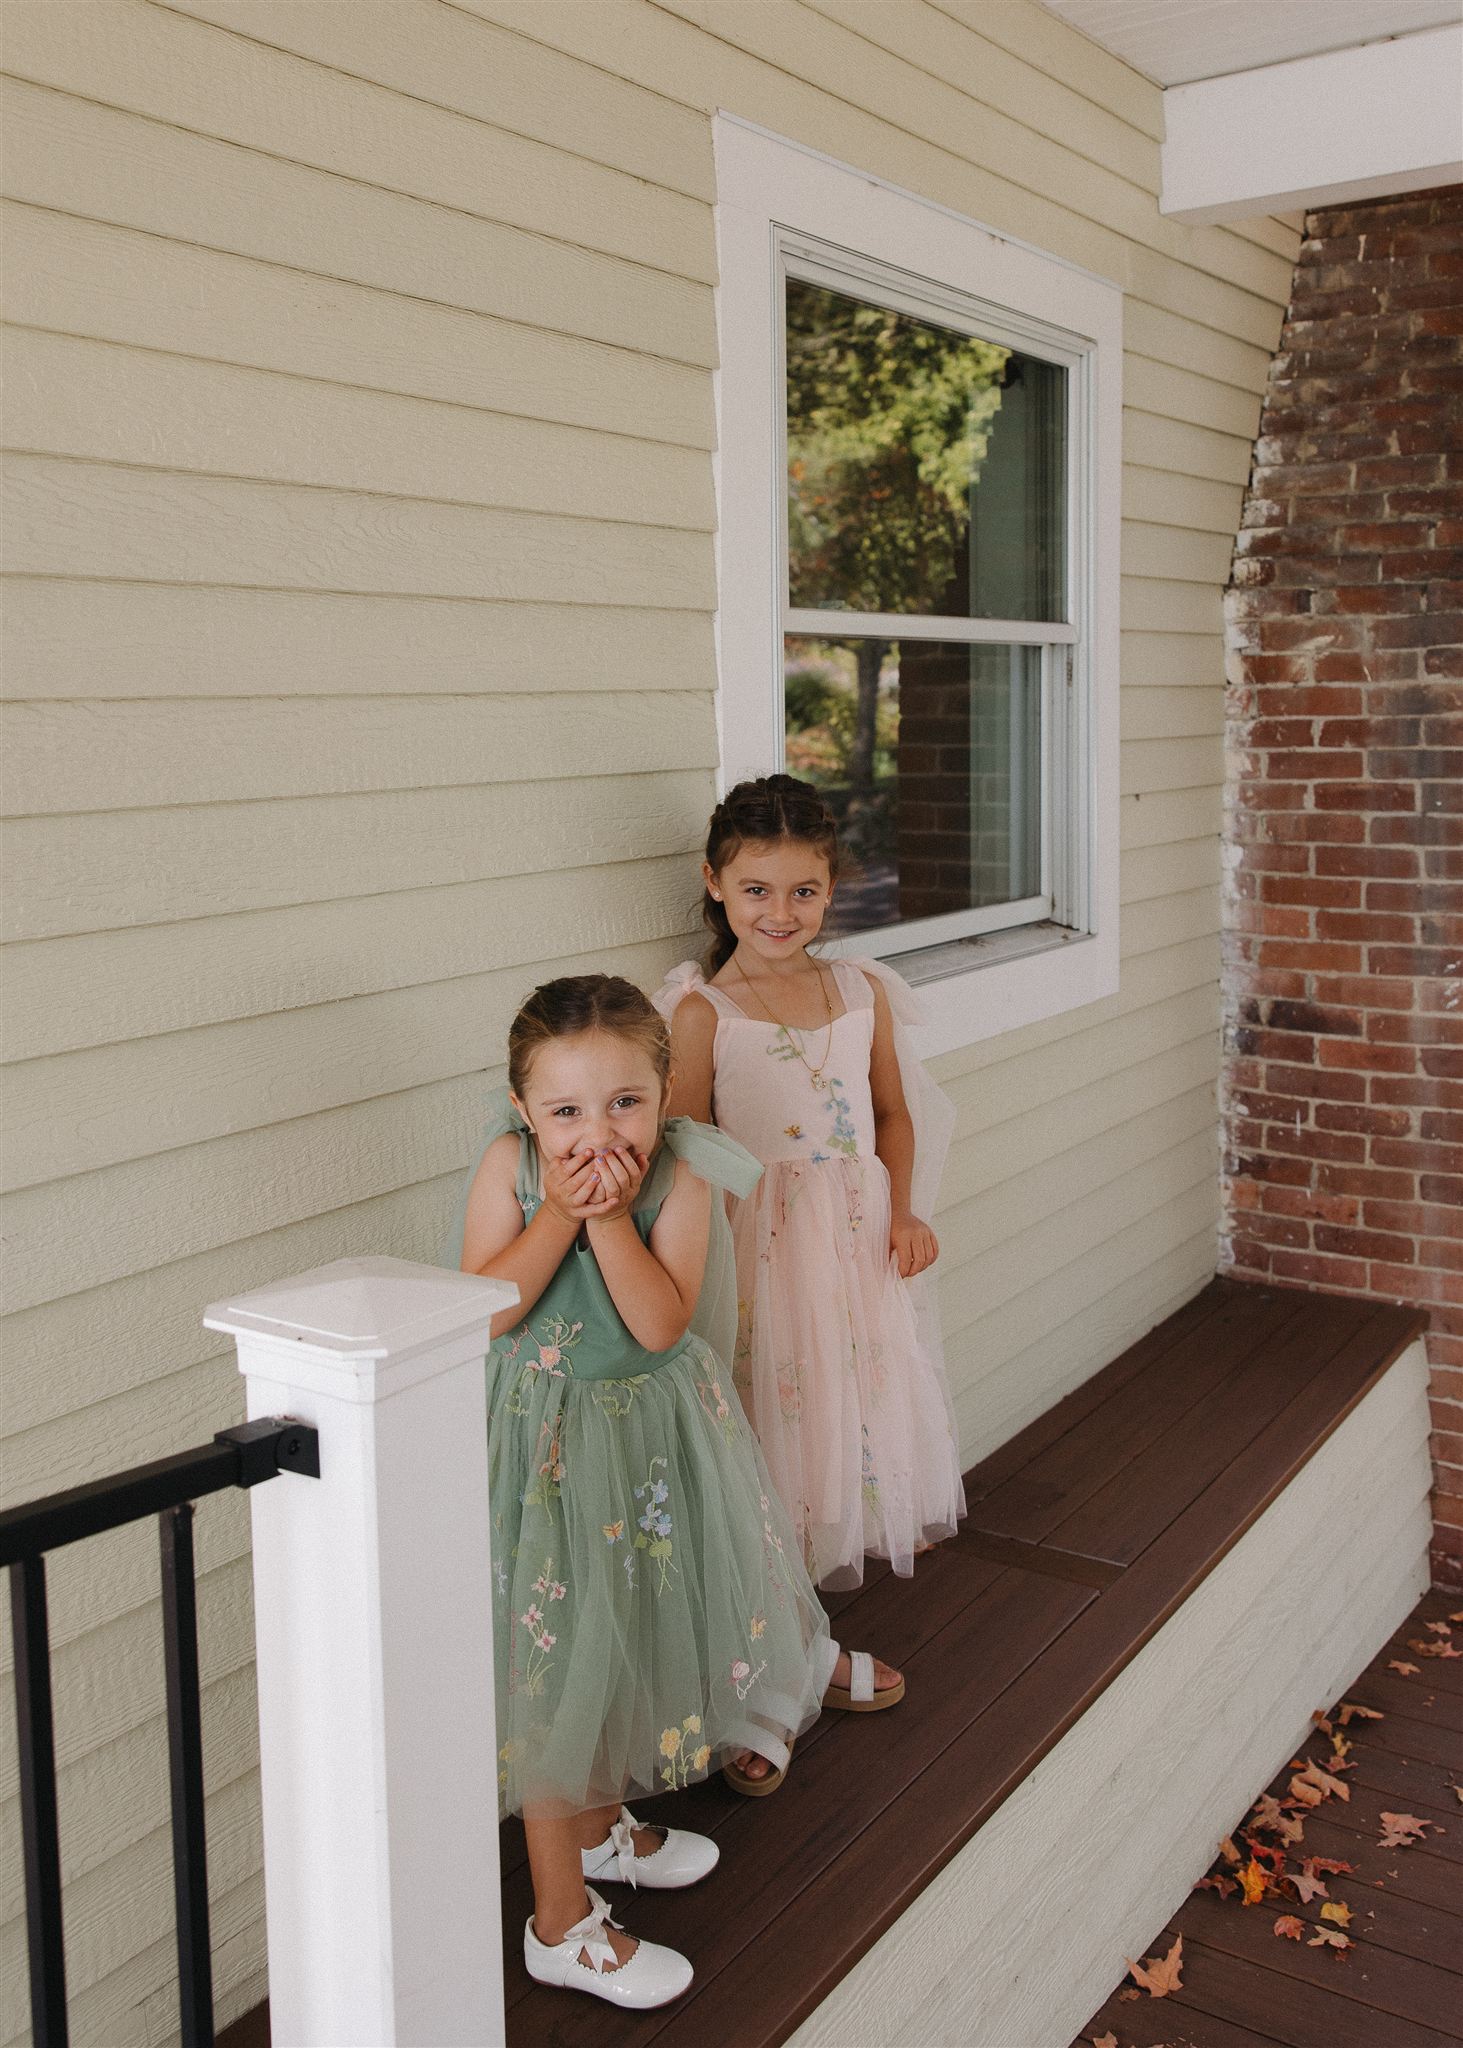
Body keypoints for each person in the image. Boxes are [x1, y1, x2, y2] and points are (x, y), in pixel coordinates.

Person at [455, 973, 836, 2008]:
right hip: (539, 1449)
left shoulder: (682, 1173)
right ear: (525, 1107)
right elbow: (488, 1309)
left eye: (623, 1101)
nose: (596, 1130)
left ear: (663, 1092)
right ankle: (557, 1920)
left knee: (617, 1628)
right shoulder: (508, 1165)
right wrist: (561, 1217)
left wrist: (611, 1218)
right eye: (565, 1109)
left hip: (644, 1445)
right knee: (554, 1659)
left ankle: (593, 1823)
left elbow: (660, 1322)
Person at [657, 775, 965, 1638]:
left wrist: (905, 1212)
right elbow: (689, 1149)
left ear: (833, 888)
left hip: (859, 1238)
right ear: (715, 883)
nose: (779, 912)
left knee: (846, 1398)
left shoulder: (860, 990)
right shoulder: (701, 1009)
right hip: (763, 1244)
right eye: (756, 890)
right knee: (773, 1404)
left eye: (803, 891)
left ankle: (803, 1620)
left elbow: (894, 1114)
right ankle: (767, 1621)